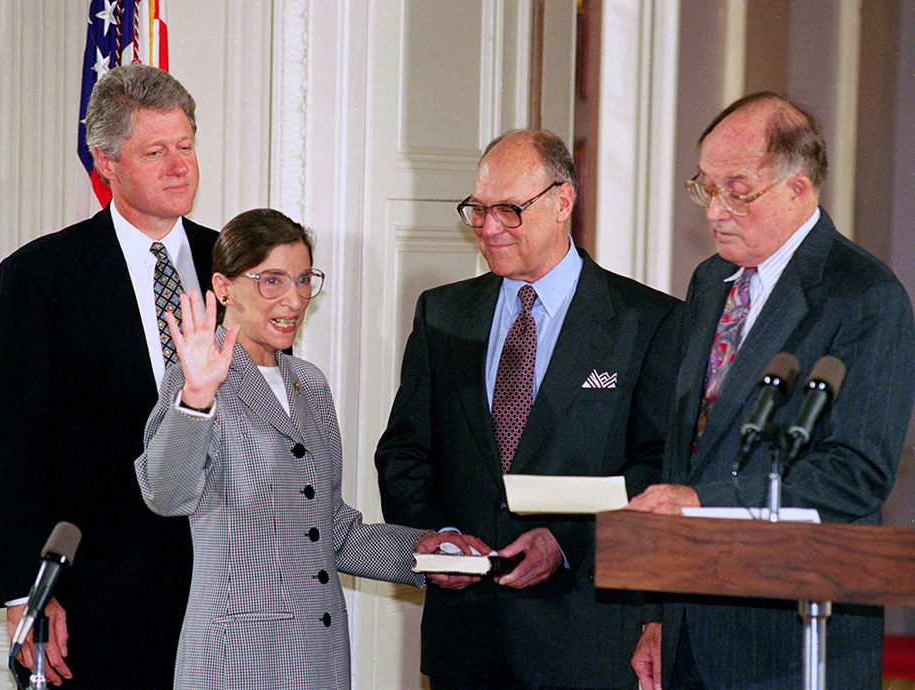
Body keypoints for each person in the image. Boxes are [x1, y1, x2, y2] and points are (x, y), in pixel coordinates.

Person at [627, 92, 915, 690]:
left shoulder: (864, 296)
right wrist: (656, 614)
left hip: (791, 642)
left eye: (737, 189)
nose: (714, 210)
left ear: (798, 189)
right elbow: (685, 452)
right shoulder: (711, 282)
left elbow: (855, 471)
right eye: (704, 186)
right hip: (688, 632)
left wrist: (706, 503)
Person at [375, 129, 682, 690]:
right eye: (478, 209)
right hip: (466, 643)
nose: (489, 228)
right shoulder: (442, 314)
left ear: (563, 201)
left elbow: (657, 469)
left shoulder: (649, 322)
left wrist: (565, 542)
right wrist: (438, 535)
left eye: (509, 210)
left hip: (585, 640)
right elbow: (404, 452)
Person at [135, 208, 460, 689]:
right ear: (223, 287)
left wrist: (424, 553)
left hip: (319, 659)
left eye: (304, 279)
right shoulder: (194, 381)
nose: (294, 299)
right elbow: (164, 494)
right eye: (272, 281)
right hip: (238, 662)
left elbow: (329, 529)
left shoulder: (309, 383)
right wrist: (198, 396)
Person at [0, 64, 214, 688]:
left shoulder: (236, 263)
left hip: (226, 588)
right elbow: (8, 442)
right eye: (155, 151)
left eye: (185, 146)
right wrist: (27, 590)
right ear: (106, 162)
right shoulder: (40, 275)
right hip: (99, 595)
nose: (178, 166)